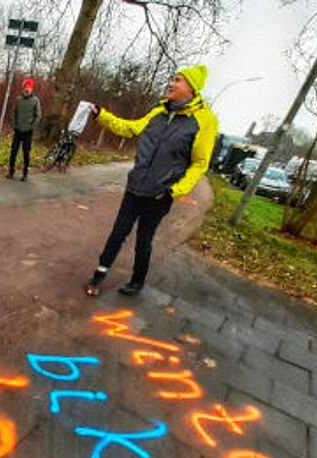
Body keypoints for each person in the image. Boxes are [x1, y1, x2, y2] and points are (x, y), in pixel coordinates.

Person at [84, 65, 218, 297]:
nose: (171, 83)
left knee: (144, 239)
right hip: (136, 186)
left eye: (177, 80)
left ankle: (137, 281)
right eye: (172, 79)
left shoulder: (204, 120)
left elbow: (199, 164)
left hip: (160, 194)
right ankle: (98, 275)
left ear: (191, 87)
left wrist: (173, 191)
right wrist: (102, 115)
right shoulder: (159, 111)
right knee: (118, 233)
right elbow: (130, 128)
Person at [6, 78, 41, 182]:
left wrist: (32, 127)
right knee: (13, 152)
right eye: (26, 87)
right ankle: (11, 171)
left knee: (26, 153)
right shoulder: (18, 100)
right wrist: (14, 124)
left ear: (32, 89)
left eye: (29, 87)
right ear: (23, 88)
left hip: (28, 132)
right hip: (17, 131)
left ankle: (25, 173)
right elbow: (13, 113)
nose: (27, 89)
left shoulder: (35, 101)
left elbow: (38, 116)